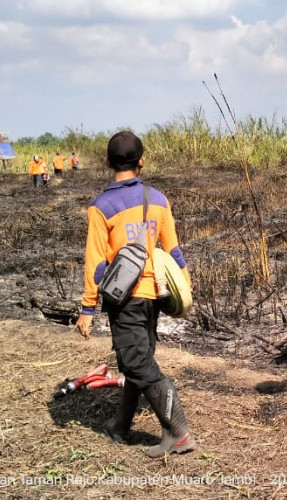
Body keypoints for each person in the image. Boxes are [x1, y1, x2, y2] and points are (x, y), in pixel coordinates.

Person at [75, 131, 195, 457]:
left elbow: (96, 262)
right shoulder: (157, 199)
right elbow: (173, 249)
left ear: (107, 162)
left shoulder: (101, 207)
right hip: (154, 295)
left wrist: (87, 308)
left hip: (124, 298)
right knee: (134, 362)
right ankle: (121, 427)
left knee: (138, 363)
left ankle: (179, 433)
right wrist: (184, 287)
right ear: (142, 161)